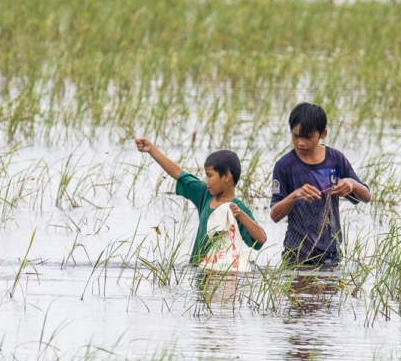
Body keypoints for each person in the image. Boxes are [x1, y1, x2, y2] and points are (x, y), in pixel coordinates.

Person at [134, 137, 267, 264]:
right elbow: (178, 173)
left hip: (222, 274)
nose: (206, 181)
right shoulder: (205, 195)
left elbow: (261, 238)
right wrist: (151, 149)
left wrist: (240, 215)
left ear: (227, 176)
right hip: (198, 269)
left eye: (210, 176)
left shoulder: (237, 208)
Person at [269, 102, 370, 267]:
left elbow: (366, 197)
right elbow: (274, 215)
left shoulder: (335, 160)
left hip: (331, 254)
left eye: (307, 137)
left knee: (330, 291)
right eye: (295, 136)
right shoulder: (284, 166)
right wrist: (295, 195)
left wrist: (352, 183)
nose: (300, 143)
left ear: (323, 133)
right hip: (296, 255)